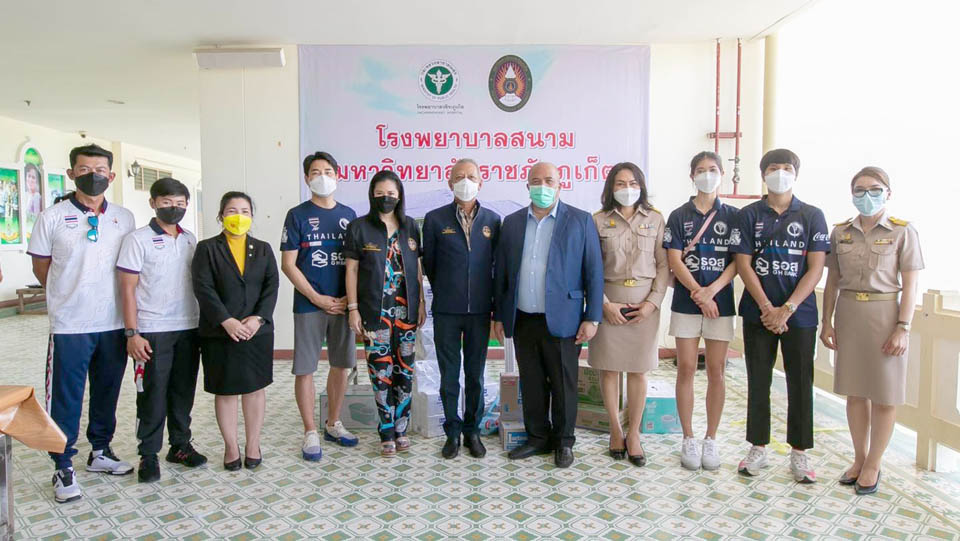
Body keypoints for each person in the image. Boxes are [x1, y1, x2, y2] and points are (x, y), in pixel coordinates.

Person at [26, 144, 136, 503]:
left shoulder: (124, 218)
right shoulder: (52, 217)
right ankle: (62, 464)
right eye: (85, 169)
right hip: (70, 325)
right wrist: (66, 294)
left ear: (111, 176)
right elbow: (42, 267)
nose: (93, 175)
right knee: (66, 396)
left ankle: (100, 451)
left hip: (113, 321)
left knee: (107, 389)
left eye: (100, 170)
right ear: (71, 173)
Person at [492, 161, 604, 468]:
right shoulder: (512, 222)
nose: (543, 186)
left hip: (565, 318)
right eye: (536, 181)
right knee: (531, 382)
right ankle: (537, 437)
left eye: (549, 180)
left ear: (560, 185)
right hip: (524, 317)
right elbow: (502, 273)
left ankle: (564, 442)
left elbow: (594, 271)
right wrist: (499, 315)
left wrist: (592, 317)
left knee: (563, 384)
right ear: (527, 185)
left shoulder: (580, 220)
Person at [820, 166, 922, 495]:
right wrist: (826, 321)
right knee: (855, 391)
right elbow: (833, 281)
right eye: (860, 190)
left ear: (887, 193)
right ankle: (859, 458)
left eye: (875, 189)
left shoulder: (902, 232)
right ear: (852, 194)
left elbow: (911, 285)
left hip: (885, 314)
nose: (867, 196)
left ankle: (874, 463)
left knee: (884, 393)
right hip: (849, 312)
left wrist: (903, 327)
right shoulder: (840, 232)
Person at [731, 148, 829, 483]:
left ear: (796, 174)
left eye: (787, 168)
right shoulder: (748, 215)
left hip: (799, 316)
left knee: (800, 382)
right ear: (763, 174)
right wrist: (766, 308)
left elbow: (815, 268)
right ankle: (757, 447)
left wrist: (787, 309)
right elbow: (743, 264)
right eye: (774, 168)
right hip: (758, 313)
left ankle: (800, 453)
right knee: (758, 380)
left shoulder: (812, 215)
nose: (780, 173)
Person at [116, 177, 207, 483]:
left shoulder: (190, 239)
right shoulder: (137, 240)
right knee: (152, 395)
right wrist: (132, 333)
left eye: (180, 203)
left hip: (188, 327)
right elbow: (127, 289)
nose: (174, 208)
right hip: (152, 330)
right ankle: (148, 454)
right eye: (167, 202)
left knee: (183, 392)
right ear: (153, 203)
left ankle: (180, 446)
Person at [280, 151, 359, 461]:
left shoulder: (349, 215)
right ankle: (310, 430)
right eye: (315, 172)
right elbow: (288, 264)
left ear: (337, 176)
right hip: (309, 304)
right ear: (306, 178)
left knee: (342, 364)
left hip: (342, 304)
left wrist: (349, 301)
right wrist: (316, 297)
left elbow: (355, 264)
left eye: (328, 171)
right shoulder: (297, 215)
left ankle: (333, 423)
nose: (322, 177)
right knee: (305, 368)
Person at [192, 192, 279, 471]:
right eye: (232, 211)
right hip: (220, 333)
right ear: (221, 216)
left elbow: (271, 286)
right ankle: (231, 446)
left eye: (244, 211)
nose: (238, 216)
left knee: (254, 389)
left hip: (256, 332)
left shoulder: (263, 249)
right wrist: (226, 320)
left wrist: (259, 319)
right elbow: (203, 287)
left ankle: (253, 444)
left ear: (251, 216)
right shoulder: (207, 248)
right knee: (226, 391)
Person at [589, 162, 668, 467]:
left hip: (643, 306)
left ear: (641, 187)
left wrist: (652, 303)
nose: (627, 189)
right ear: (611, 188)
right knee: (609, 370)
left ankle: (633, 433)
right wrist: (604, 305)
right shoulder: (597, 220)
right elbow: (591, 267)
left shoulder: (655, 219)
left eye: (633, 183)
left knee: (638, 370)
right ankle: (615, 429)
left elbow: (664, 265)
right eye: (620, 184)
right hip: (609, 303)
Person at [665, 152, 740, 471]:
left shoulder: (734, 216)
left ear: (722, 174)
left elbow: (738, 261)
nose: (706, 175)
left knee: (716, 370)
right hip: (687, 303)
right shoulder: (678, 215)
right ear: (691, 176)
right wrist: (699, 292)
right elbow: (674, 259)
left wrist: (712, 291)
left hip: (720, 304)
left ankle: (711, 438)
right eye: (700, 170)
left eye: (712, 170)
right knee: (685, 368)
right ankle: (688, 437)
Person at [422, 159, 501, 459]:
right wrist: (449, 289)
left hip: (480, 311)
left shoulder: (493, 221)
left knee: (475, 374)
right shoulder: (434, 219)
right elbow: (430, 265)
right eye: (459, 177)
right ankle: (452, 432)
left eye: (471, 176)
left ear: (481, 182)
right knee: (449, 375)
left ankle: (472, 430)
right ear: (449, 182)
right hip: (447, 310)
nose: (465, 181)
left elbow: (496, 267)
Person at [344, 170, 426, 457]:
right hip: (374, 314)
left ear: (399, 195)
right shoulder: (359, 227)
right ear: (372, 195)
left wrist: (421, 303)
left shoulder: (410, 226)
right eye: (380, 193)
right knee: (381, 373)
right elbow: (352, 270)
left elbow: (417, 267)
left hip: (406, 312)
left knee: (405, 371)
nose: (386, 198)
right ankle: (386, 430)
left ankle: (401, 428)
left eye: (391, 193)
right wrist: (353, 309)